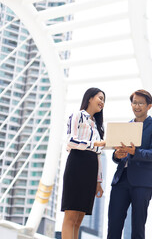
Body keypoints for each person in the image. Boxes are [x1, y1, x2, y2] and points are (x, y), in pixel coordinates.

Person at [107, 89, 152, 239]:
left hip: (142, 182)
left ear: (149, 106)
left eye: (141, 103)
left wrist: (134, 152)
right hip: (120, 180)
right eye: (134, 103)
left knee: (138, 228)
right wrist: (117, 155)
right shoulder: (125, 127)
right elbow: (117, 156)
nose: (137, 106)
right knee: (113, 225)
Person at [61, 87, 106, 239]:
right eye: (100, 98)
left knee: (80, 217)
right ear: (90, 98)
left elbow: (99, 156)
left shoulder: (99, 127)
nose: (102, 102)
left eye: (104, 100)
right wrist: (95, 145)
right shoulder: (77, 115)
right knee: (71, 215)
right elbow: (70, 140)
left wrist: (98, 182)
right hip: (77, 164)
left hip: (91, 169)